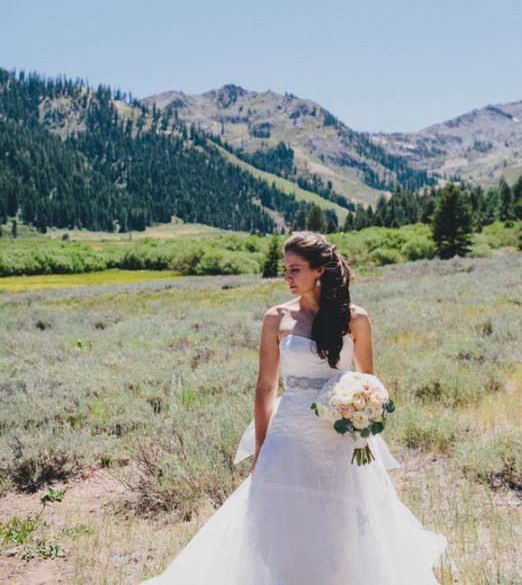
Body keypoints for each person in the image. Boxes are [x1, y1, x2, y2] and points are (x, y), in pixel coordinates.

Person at [142, 231, 452, 584]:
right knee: (283, 518)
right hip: (288, 435)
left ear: (319, 270)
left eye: (295, 270)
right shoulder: (276, 318)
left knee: (343, 519)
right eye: (285, 270)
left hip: (340, 438)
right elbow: (265, 386)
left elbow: (369, 380)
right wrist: (261, 447)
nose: (286, 278)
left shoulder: (356, 319)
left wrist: (366, 413)